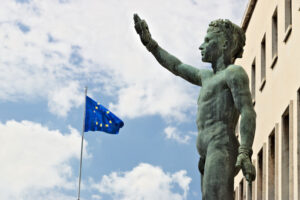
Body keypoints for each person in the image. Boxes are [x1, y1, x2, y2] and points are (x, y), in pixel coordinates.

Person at [133, 14, 256, 200]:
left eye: (207, 40)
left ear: (223, 44)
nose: (201, 45)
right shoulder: (205, 77)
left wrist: (245, 151)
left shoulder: (233, 73)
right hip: (205, 152)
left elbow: (247, 110)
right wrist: (151, 45)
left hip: (221, 145)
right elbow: (177, 66)